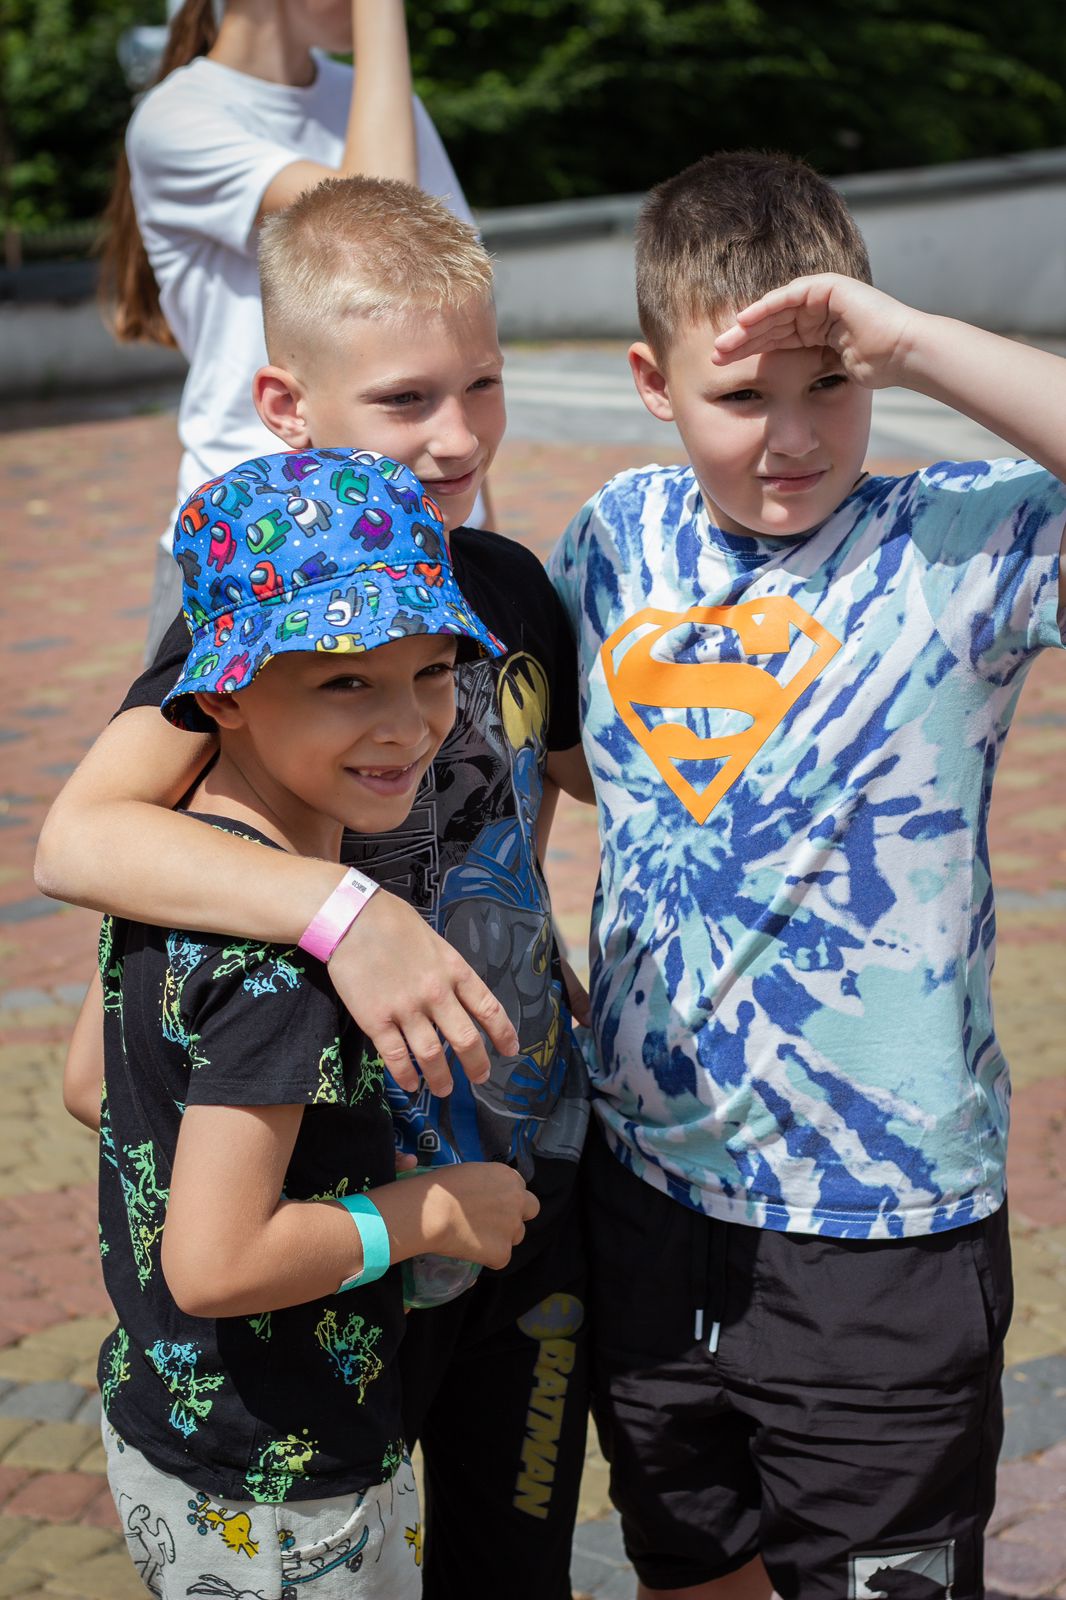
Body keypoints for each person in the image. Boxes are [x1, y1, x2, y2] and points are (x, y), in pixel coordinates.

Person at [37, 176, 593, 1600]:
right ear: (286, 405)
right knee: (343, 1531)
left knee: (507, 1561)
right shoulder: (253, 629)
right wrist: (347, 915)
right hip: (350, 1221)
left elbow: (593, 791)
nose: (457, 436)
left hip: (526, 1187)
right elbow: (81, 839)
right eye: (405, 399)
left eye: (483, 384)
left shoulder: (504, 588)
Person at [547, 148, 1066, 1600]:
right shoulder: (613, 540)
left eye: (829, 384)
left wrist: (911, 339)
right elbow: (571, 773)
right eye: (741, 397)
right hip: (647, 1203)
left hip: (882, 1241)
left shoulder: (954, 544)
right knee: (686, 1572)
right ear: (652, 384)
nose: (791, 437)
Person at [94, 447, 539, 1600]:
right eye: (346, 682)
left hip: (174, 1428)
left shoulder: (178, 864)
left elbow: (93, 1087)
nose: (408, 726)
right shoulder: (287, 968)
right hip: (283, 1489)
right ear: (224, 691)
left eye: (431, 672)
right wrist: (430, 1208)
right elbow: (215, 1262)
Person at [101, 0, 485, 656]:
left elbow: (449, 328)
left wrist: (480, 523)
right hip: (250, 550)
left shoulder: (378, 94)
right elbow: (380, 231)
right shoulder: (177, 116)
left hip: (418, 537)